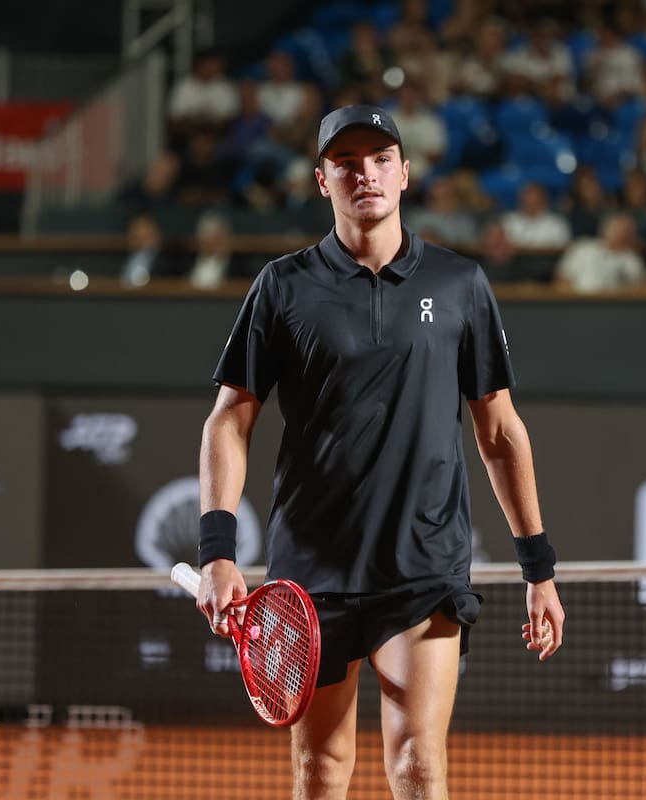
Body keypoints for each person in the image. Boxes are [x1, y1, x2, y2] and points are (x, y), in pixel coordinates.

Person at [194, 104, 565, 800]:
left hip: (421, 566)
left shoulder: (460, 285)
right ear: (322, 180)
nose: (365, 173)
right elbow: (228, 421)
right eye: (347, 163)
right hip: (310, 572)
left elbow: (501, 432)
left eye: (380, 159)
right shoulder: (282, 287)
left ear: (404, 174)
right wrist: (218, 549)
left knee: (419, 765)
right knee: (320, 769)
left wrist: (537, 568)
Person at [553, 212, 645, 294]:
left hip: (611, 305)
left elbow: (635, 289)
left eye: (628, 232)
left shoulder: (632, 259)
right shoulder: (583, 247)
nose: (623, 235)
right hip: (575, 301)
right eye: (617, 229)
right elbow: (562, 277)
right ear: (606, 229)